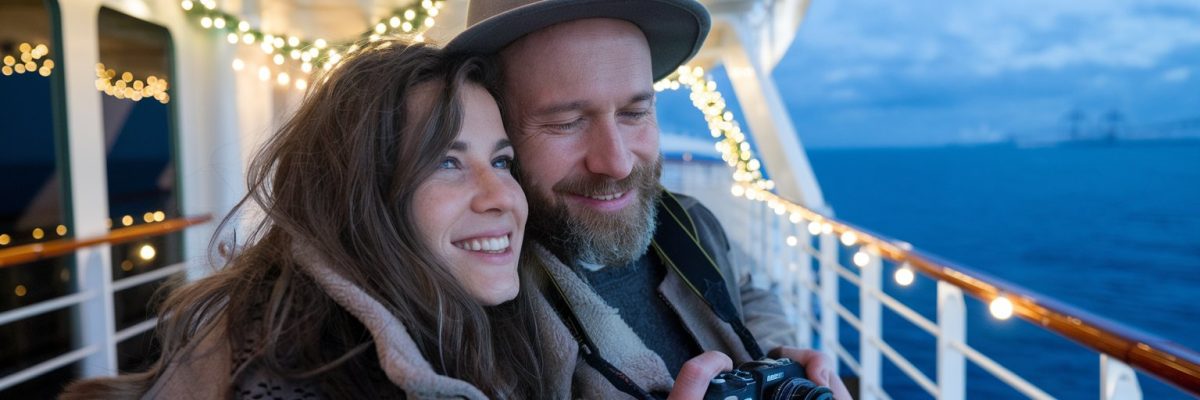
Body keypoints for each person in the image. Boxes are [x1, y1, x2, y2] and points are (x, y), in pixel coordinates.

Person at [61, 42, 558, 399]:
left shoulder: (485, 322)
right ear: (360, 196)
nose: (503, 198)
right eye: (446, 162)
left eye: (501, 161)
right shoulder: (293, 373)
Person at [447, 1, 853, 399]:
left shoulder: (688, 221)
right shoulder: (476, 310)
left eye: (634, 113)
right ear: (494, 126)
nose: (618, 163)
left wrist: (773, 361)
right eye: (565, 123)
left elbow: (745, 289)